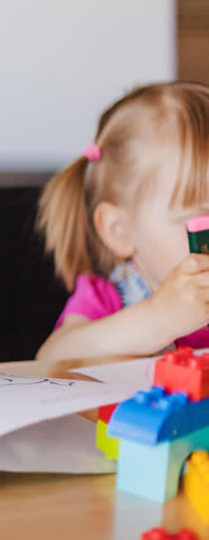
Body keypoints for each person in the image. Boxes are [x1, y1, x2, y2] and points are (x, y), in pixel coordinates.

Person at [35, 81, 209, 360]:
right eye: (201, 222)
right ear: (121, 231)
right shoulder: (107, 297)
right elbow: (52, 358)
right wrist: (159, 318)